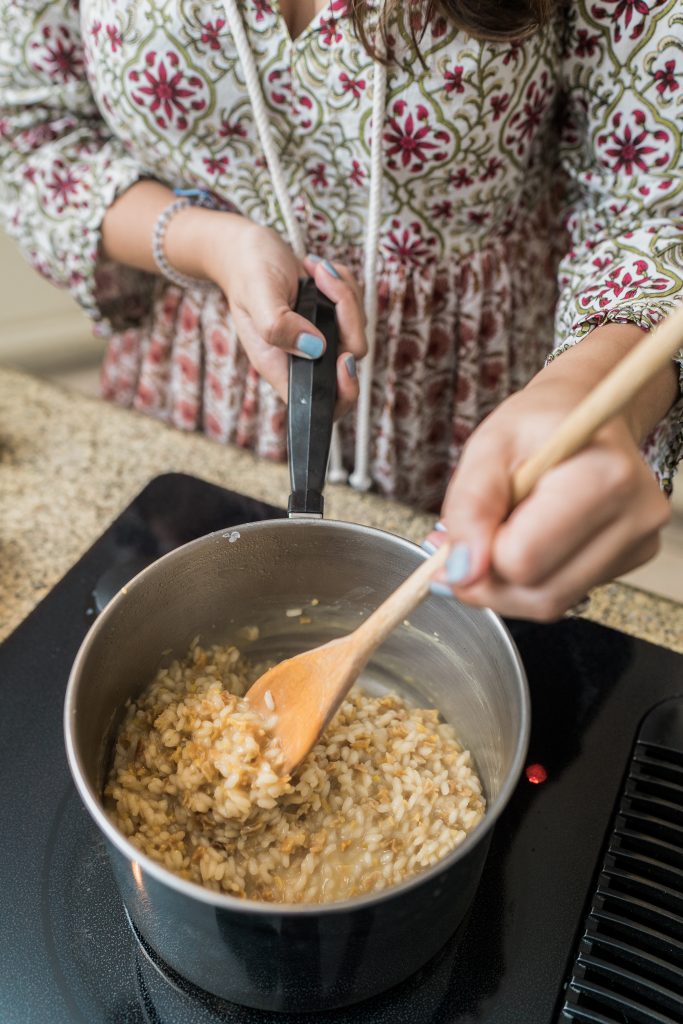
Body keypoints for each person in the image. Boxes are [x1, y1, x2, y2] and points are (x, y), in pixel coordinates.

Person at [1, 0, 681, 620]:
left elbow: (655, 206)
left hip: (473, 397)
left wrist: (591, 396)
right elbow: (29, 132)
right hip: (188, 382)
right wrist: (214, 244)